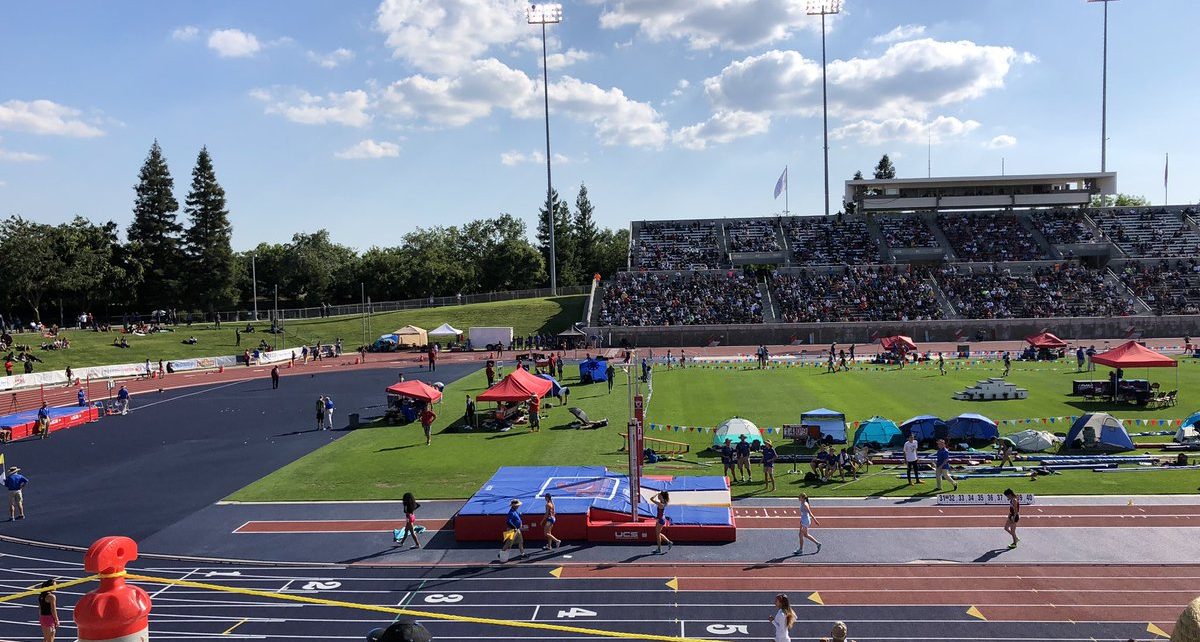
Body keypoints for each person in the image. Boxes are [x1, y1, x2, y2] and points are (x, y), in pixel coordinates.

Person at [37, 578, 59, 642]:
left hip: (43, 617)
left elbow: (40, 608)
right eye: (55, 585)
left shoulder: (41, 595)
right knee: (50, 639)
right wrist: (56, 620)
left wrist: (41, 618)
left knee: (46, 639)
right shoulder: (51, 597)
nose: (56, 586)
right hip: (49, 619)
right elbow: (53, 609)